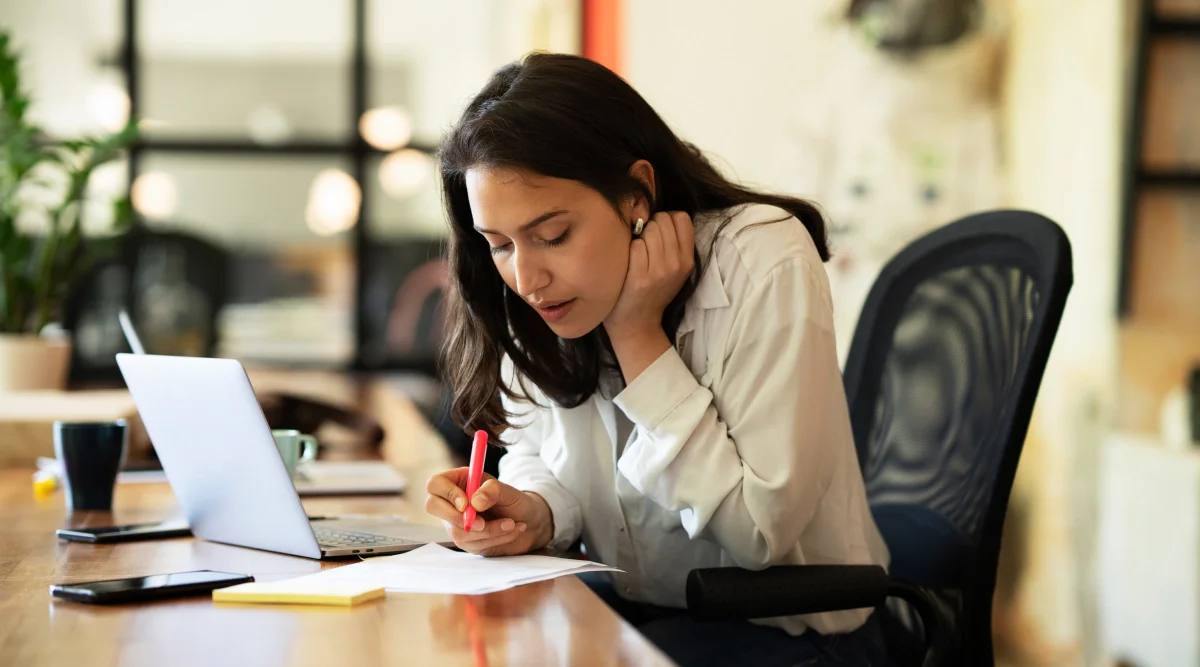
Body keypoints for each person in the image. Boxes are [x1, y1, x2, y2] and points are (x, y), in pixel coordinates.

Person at [423, 52, 889, 667]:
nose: (527, 276)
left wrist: (638, 335)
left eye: (554, 234)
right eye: (500, 244)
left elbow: (759, 533)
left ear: (637, 193)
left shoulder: (762, 257)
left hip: (791, 633)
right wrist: (533, 513)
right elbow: (546, 453)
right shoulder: (543, 287)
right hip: (642, 609)